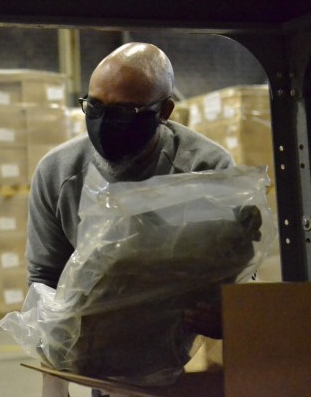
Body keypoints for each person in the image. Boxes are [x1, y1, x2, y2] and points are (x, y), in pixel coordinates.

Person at [26, 42, 234, 396]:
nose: (105, 123)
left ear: (164, 110)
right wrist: (54, 374)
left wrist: (228, 316)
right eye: (94, 106)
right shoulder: (59, 173)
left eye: (123, 111)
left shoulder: (203, 171)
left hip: (179, 355)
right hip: (97, 348)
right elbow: (45, 277)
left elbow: (232, 269)